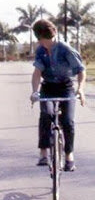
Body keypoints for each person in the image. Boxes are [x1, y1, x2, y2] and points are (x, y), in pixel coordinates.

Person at [30, 19, 86, 171]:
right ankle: (43, 152)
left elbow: (81, 70)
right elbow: (37, 73)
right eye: (42, 39)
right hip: (47, 87)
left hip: (65, 87)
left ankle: (69, 156)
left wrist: (80, 89)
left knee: (67, 121)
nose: (45, 42)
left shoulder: (64, 49)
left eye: (47, 39)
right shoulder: (40, 51)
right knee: (46, 114)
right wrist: (35, 91)